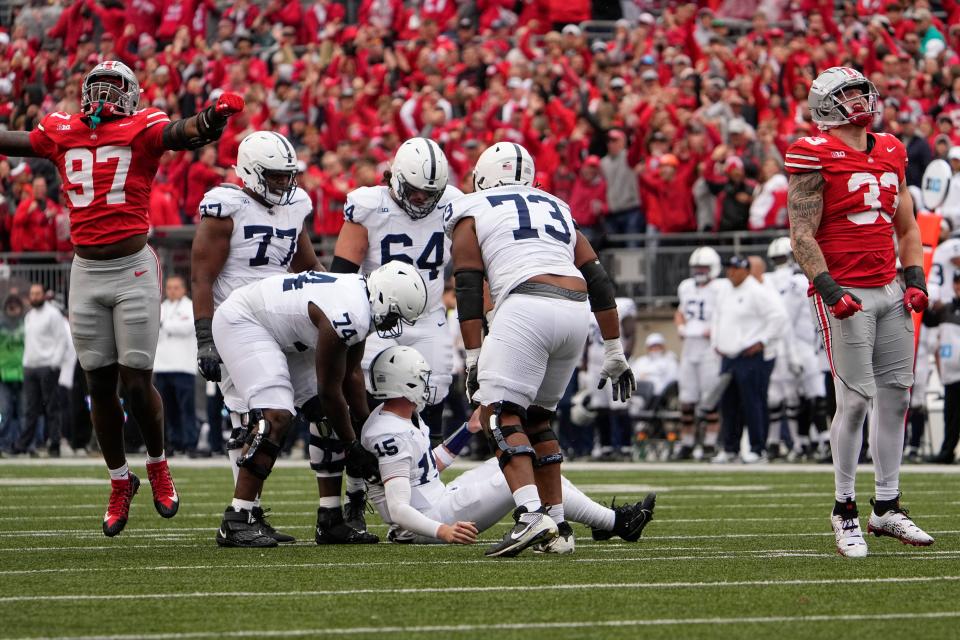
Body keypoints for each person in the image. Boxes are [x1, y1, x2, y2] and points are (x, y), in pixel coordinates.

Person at [0, 60, 245, 536]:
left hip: (133, 267)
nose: (105, 96)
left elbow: (183, 133)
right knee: (98, 387)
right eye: (98, 87)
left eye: (115, 88)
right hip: (86, 270)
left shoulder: (143, 125)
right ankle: (119, 480)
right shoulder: (61, 129)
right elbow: (16, 141)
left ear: (132, 95)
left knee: (136, 381)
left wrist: (213, 117)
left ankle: (157, 464)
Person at [446, 142, 635, 557]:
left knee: (497, 412)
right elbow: (599, 277)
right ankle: (559, 526)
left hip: (526, 303)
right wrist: (614, 348)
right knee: (537, 419)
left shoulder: (471, 206)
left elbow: (467, 284)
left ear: (482, 176)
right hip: (575, 311)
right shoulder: (556, 205)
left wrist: (474, 354)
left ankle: (530, 516)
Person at [786, 66, 934, 557]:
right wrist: (828, 289)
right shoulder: (814, 152)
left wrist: (913, 279)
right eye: (849, 93)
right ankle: (844, 509)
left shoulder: (891, 148)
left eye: (861, 91)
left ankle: (887, 506)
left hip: (888, 288)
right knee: (853, 401)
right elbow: (801, 233)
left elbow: (908, 225)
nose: (860, 100)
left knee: (897, 396)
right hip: (844, 291)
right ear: (827, 105)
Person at [211, 261, 428, 547]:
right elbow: (329, 390)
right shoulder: (351, 312)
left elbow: (351, 375)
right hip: (243, 321)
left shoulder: (360, 301)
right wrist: (353, 446)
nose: (392, 324)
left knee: (327, 419)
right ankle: (237, 518)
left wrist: (363, 427)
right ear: (384, 298)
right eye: (393, 315)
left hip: (281, 333)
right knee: (275, 418)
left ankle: (330, 519)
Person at [362, 345, 655, 547]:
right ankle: (616, 522)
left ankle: (604, 522)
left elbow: (427, 466)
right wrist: (443, 531)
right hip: (427, 522)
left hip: (437, 502)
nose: (425, 385)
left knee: (511, 463)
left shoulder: (397, 418)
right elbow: (399, 509)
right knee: (517, 472)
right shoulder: (390, 434)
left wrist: (468, 429)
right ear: (404, 385)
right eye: (419, 379)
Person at [191, 131, 318, 543]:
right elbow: (202, 276)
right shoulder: (226, 206)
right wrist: (205, 337)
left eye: (287, 176)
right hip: (237, 321)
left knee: (288, 412)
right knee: (249, 418)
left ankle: (251, 513)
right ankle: (243, 515)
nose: (284, 185)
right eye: (275, 177)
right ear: (248, 171)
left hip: (281, 317)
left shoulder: (296, 205)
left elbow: (306, 266)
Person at [330, 136, 463, 530]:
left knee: (431, 396)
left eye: (430, 194)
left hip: (428, 318)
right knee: (368, 405)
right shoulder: (370, 205)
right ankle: (357, 491)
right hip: (378, 316)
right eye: (417, 191)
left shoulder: (454, 203)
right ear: (397, 178)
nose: (423, 201)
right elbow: (341, 274)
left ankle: (425, 496)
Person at [710, 256, 788, 464]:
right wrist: (716, 342)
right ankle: (730, 448)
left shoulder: (758, 291)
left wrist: (762, 341)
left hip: (752, 355)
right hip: (729, 355)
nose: (730, 272)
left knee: (753, 401)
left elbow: (779, 317)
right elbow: (717, 317)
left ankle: (758, 447)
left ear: (745, 271)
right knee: (728, 403)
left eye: (735, 269)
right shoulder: (724, 291)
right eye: (728, 268)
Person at [766, 238, 829, 461]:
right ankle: (813, 441)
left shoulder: (796, 280)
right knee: (801, 395)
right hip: (797, 344)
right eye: (777, 259)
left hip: (810, 342)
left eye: (783, 258)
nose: (781, 263)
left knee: (811, 394)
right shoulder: (792, 283)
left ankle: (811, 441)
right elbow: (786, 319)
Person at [674, 247, 723, 460]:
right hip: (689, 348)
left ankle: (711, 444)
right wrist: (680, 327)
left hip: (708, 349)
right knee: (686, 400)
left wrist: (714, 331)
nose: (700, 271)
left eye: (704, 267)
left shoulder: (721, 288)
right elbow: (680, 311)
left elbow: (725, 315)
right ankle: (687, 443)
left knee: (709, 400)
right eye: (697, 268)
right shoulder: (686, 287)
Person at [14, 284, 68, 456]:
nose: (34, 296)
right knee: (30, 409)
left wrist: (54, 363)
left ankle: (54, 444)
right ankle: (25, 445)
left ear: (44, 295)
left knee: (51, 407)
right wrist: (25, 362)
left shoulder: (53, 314)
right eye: (32, 294)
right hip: (30, 367)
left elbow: (62, 340)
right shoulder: (29, 316)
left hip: (47, 366)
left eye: (37, 293)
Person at [583, 296, 636, 459]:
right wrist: (584, 360)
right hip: (594, 364)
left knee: (619, 407)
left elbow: (631, 333)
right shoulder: (587, 306)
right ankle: (605, 447)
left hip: (614, 361)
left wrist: (624, 357)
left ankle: (626, 448)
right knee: (600, 407)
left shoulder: (621, 305)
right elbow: (587, 338)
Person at [154, 275, 197, 456]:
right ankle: (172, 442)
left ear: (184, 289)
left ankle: (190, 443)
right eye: (169, 287)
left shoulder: (191, 306)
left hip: (183, 365)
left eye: (176, 287)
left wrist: (165, 325)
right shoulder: (161, 308)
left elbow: (187, 327)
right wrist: (168, 326)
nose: (172, 290)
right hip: (162, 365)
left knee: (186, 408)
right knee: (167, 409)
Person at [921, 271, 960, 464]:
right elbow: (928, 320)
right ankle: (947, 451)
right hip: (951, 374)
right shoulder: (946, 309)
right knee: (950, 415)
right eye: (957, 283)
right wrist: (926, 303)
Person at [0, 295, 24, 454]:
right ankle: (3, 443)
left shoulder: (26, 324)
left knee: (23, 413)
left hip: (23, 374)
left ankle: (22, 445)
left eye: (16, 305)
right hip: (3, 374)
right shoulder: (1, 324)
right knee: (6, 412)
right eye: (11, 305)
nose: (13, 308)